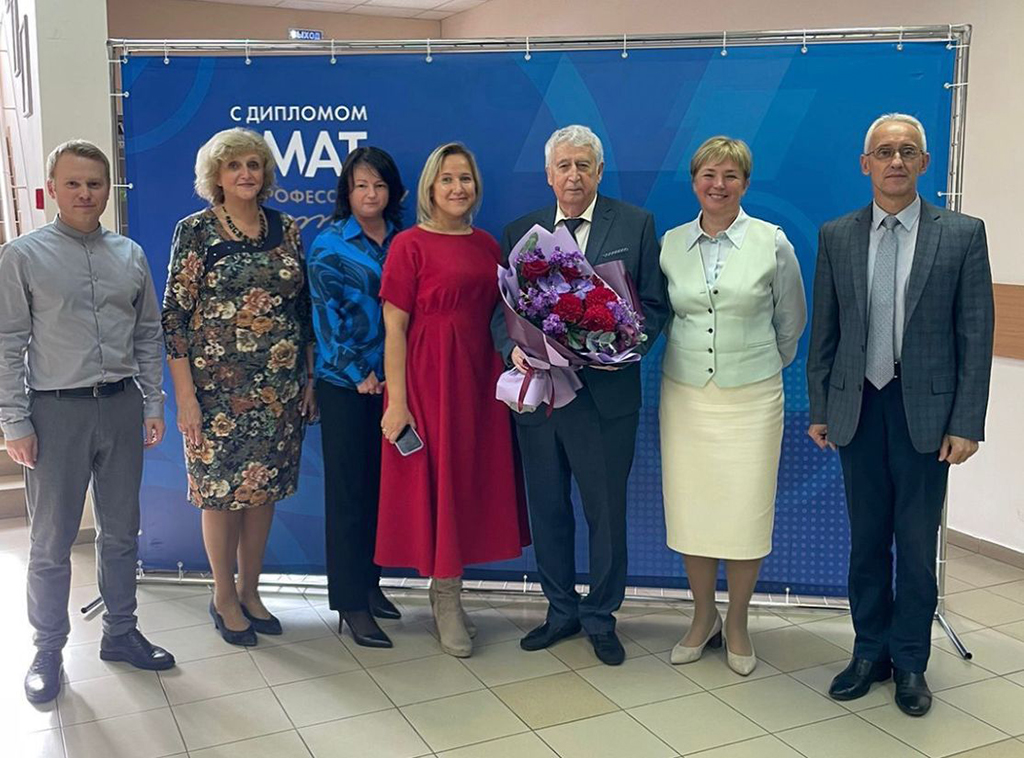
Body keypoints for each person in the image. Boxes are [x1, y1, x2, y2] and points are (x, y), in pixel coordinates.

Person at [807, 113, 993, 716]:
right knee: (866, 543)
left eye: (907, 151)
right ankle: (869, 652)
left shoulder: (962, 234)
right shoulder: (837, 235)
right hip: (857, 407)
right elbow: (825, 331)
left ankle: (911, 660)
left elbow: (975, 333)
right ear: (865, 164)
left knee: (914, 545)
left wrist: (966, 421)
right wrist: (820, 406)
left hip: (927, 416)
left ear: (924, 163)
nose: (895, 161)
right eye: (884, 151)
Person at [0, 140, 175, 703]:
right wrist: (14, 421)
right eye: (73, 183)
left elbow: (147, 333)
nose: (84, 193)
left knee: (121, 531)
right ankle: (48, 648)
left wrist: (153, 403)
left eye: (94, 184)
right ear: (53, 188)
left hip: (121, 406)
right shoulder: (22, 256)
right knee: (51, 540)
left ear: (107, 189)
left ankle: (120, 632)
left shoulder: (130, 255)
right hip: (55, 412)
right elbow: (8, 343)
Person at [491, 125, 669, 666]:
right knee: (547, 508)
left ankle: (600, 616)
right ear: (549, 175)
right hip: (542, 399)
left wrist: (620, 343)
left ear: (599, 172)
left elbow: (655, 306)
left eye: (583, 166)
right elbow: (501, 313)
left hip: (606, 400)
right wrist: (513, 350)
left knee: (605, 514)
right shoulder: (521, 232)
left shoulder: (635, 225)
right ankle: (560, 611)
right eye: (564, 166)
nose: (573, 176)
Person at [162, 127, 316, 647]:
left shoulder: (286, 227)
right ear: (217, 176)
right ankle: (223, 596)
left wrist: (308, 378)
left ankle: (251, 591)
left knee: (262, 491)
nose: (245, 174)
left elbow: (302, 309)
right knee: (221, 497)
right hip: (215, 394)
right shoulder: (196, 231)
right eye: (234, 166)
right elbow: (174, 318)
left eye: (253, 164)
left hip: (279, 390)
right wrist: (185, 398)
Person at [659, 136, 806, 676]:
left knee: (746, 510)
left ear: (745, 183)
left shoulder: (773, 242)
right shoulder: (670, 243)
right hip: (686, 397)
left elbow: (791, 322)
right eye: (709, 174)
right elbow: (665, 315)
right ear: (694, 181)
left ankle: (738, 622)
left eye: (731, 175)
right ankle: (704, 617)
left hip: (753, 399)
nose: (718, 185)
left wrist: (753, 361)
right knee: (692, 508)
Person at [376, 142, 529, 658]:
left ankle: (452, 591)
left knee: (466, 483)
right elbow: (394, 330)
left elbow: (503, 318)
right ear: (430, 188)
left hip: (480, 381)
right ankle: (446, 600)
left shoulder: (488, 245)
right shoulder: (409, 246)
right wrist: (397, 403)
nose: (457, 188)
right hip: (428, 379)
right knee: (436, 484)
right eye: (447, 179)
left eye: (465, 178)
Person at [307, 147, 405, 649]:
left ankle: (370, 584)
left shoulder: (405, 241)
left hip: (397, 386)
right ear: (347, 191)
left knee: (380, 493)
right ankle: (350, 603)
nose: (371, 194)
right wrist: (358, 372)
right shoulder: (329, 244)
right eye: (361, 185)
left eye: (379, 185)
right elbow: (325, 318)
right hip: (349, 387)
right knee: (348, 496)